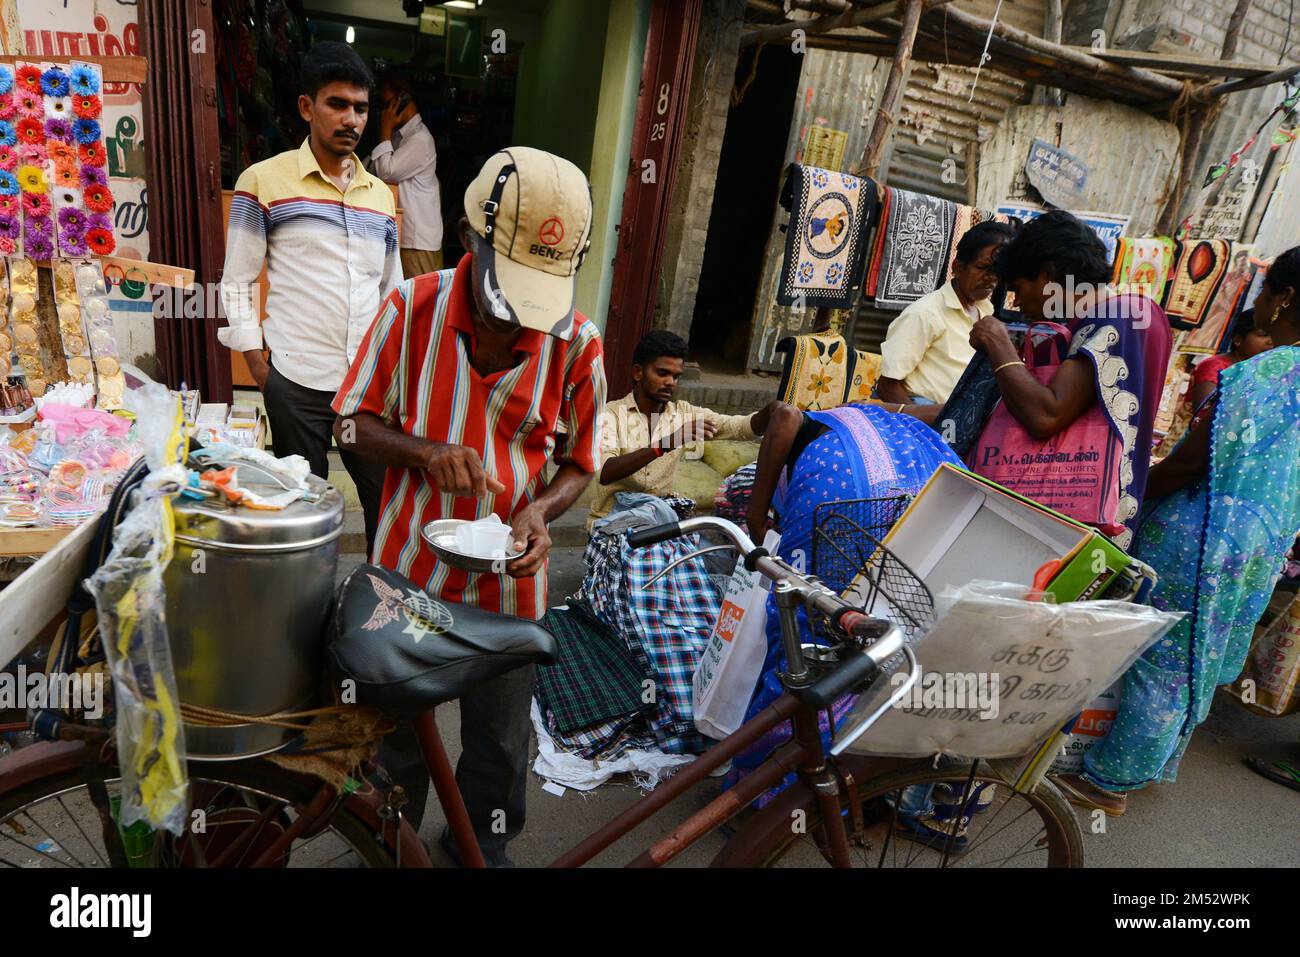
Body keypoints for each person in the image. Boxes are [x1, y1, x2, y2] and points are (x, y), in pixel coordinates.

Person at [333, 146, 606, 865]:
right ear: (467, 238)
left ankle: (475, 848)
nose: (519, 320)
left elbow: (580, 462)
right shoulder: (409, 307)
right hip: (406, 577)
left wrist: (541, 510)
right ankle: (387, 847)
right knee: (396, 740)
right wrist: (423, 452)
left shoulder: (577, 344)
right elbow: (349, 423)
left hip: (510, 588)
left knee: (499, 744)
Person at [1054, 247, 1300, 816]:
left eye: (1264, 292)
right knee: (1198, 655)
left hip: (1205, 531)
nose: (1257, 304)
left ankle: (1108, 781)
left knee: (1163, 655)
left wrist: (1132, 494)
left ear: (1285, 298)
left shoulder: (1260, 374)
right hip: (1263, 541)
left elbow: (1192, 463)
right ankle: (1149, 763)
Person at [218, 42, 398, 554]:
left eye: (361, 108)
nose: (351, 119)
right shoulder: (264, 181)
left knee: (384, 501)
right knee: (307, 507)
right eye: (337, 104)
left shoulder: (380, 196)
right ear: (306, 107)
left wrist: (392, 372)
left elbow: (392, 291)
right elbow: (237, 280)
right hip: (295, 379)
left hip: (366, 385)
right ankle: (309, 616)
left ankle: (375, 608)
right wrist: (258, 364)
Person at [930, 210, 1173, 550]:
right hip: (1090, 520)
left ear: (1048, 275)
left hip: (1080, 526)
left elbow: (1045, 415)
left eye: (1018, 288)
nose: (1017, 302)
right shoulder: (1138, 314)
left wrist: (997, 342)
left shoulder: (1114, 319)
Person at [589, 329, 784, 529]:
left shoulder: (684, 413)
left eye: (676, 376)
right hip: (611, 522)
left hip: (657, 521)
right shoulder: (611, 414)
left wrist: (771, 411)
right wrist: (666, 444)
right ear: (638, 372)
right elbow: (605, 472)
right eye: (662, 373)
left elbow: (739, 428)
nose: (670, 383)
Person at [875, 221, 1015, 406]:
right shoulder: (925, 314)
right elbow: (887, 386)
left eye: (996, 271)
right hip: (925, 411)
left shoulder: (985, 309)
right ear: (957, 267)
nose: (991, 277)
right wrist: (925, 426)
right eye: (982, 268)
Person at [367, 73, 444, 278]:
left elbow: (386, 172)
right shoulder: (400, 137)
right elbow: (371, 168)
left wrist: (384, 130)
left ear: (403, 98)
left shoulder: (420, 139)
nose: (384, 112)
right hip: (409, 237)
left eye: (387, 104)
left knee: (420, 304)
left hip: (418, 243)